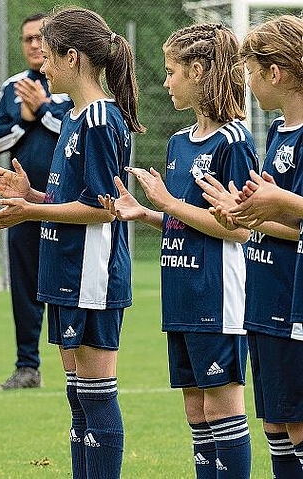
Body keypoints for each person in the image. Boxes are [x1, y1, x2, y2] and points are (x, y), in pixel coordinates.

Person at [0, 7, 144, 478]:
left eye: (49, 56)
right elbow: (71, 197)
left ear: (73, 57)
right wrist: (30, 195)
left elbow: (103, 206)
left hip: (92, 275)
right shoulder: (73, 117)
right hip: (65, 270)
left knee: (96, 395)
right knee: (78, 398)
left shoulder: (100, 120)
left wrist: (31, 211)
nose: (42, 67)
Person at [101, 24, 255, 479]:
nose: (165, 82)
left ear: (199, 69)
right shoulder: (178, 143)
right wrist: (148, 214)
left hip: (216, 294)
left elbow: (241, 230)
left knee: (222, 404)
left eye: (172, 72)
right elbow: (183, 220)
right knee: (195, 407)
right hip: (181, 293)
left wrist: (169, 203)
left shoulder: (234, 141)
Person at [196, 15, 303, 476]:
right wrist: (250, 210)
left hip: (290, 298)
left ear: (275, 72)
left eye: (252, 73)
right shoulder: (279, 131)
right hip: (266, 299)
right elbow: (282, 218)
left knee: (297, 425)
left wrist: (275, 204)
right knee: (277, 426)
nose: (250, 84)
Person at [0, 12, 73, 391]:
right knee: (24, 286)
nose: (35, 45)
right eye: (27, 39)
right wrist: (23, 120)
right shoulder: (13, 87)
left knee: (68, 284)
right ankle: (27, 368)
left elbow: (74, 128)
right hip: (21, 206)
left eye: (41, 37)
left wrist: (43, 109)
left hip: (66, 205)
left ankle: (77, 360)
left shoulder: (70, 83)